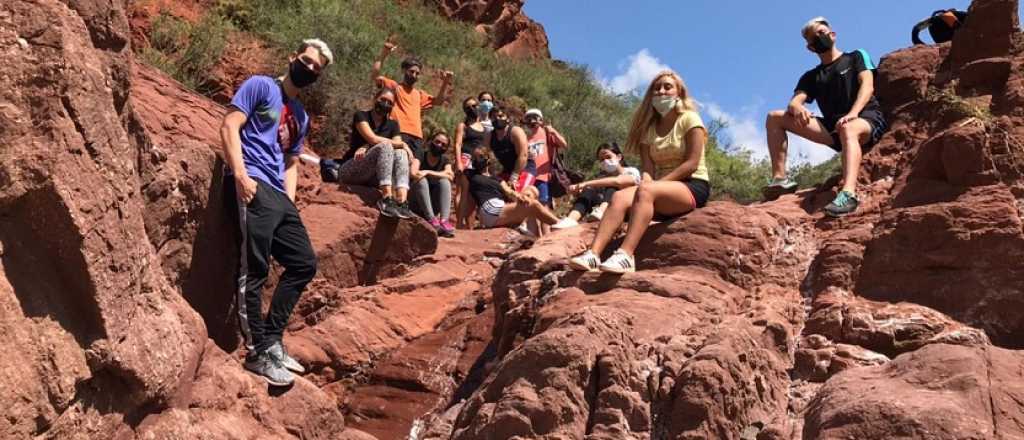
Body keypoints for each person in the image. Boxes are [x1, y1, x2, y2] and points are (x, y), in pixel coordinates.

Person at [221, 38, 330, 386]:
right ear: (292, 57)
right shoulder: (260, 86)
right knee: (254, 266)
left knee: (303, 263)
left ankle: (272, 340)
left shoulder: (300, 116)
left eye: (316, 68)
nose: (309, 69)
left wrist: (290, 202)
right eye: (307, 61)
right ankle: (256, 354)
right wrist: (240, 174)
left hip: (278, 196)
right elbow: (230, 126)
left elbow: (291, 162)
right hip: (251, 179)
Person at [568, 70, 711, 274]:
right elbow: (648, 169)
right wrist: (648, 182)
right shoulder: (648, 130)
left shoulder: (690, 119)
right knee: (618, 197)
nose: (661, 91)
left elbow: (692, 163)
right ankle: (593, 254)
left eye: (667, 87)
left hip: (692, 186)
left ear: (679, 93)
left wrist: (652, 186)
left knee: (645, 191)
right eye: (656, 88)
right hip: (660, 189)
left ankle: (626, 255)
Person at [762, 17, 888, 217]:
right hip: (834, 127)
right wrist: (797, 108)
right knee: (774, 117)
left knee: (848, 127)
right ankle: (780, 180)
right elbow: (795, 101)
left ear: (833, 34)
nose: (819, 38)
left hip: (866, 118)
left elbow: (867, 85)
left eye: (821, 32)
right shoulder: (811, 76)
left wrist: (853, 114)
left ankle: (848, 194)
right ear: (810, 48)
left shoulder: (856, 56)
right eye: (814, 38)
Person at [337, 88, 415, 219]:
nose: (385, 104)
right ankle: (387, 199)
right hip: (352, 169)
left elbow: (397, 146)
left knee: (400, 153)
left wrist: (401, 146)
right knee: (386, 146)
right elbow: (372, 138)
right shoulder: (361, 116)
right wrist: (403, 144)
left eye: (390, 102)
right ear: (375, 99)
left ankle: (402, 201)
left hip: (374, 176)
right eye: (382, 100)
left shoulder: (393, 125)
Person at [371, 37, 453, 157]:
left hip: (417, 137)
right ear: (404, 71)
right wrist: (384, 53)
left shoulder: (419, 94)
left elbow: (438, 101)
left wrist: (445, 82)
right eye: (411, 71)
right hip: (399, 132)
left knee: (411, 169)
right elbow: (375, 75)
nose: (414, 75)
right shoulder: (394, 87)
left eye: (417, 73)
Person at [464, 145, 560, 231]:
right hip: (490, 208)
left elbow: (509, 191)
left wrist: (519, 197)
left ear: (488, 159)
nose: (477, 160)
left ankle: (531, 232)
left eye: (480, 157)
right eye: (475, 157)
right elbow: (465, 199)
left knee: (532, 190)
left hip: (500, 207)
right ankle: (559, 224)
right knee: (533, 204)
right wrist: (461, 222)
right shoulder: (470, 174)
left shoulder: (497, 179)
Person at [551, 142, 642, 229]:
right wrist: (579, 191)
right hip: (610, 208)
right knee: (589, 190)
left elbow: (618, 182)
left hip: (627, 207)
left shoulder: (631, 171)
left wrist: (585, 183)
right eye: (602, 160)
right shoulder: (602, 177)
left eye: (608, 157)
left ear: (619, 157)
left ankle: (602, 211)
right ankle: (572, 219)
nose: (605, 161)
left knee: (612, 186)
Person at [522, 108, 567, 236]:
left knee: (543, 206)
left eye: (535, 117)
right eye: (529, 118)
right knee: (529, 206)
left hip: (543, 176)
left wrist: (553, 131)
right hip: (529, 176)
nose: (532, 120)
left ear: (541, 120)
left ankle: (547, 237)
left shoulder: (547, 133)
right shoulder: (527, 138)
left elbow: (564, 144)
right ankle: (533, 236)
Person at [454, 96, 491, 228]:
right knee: (463, 191)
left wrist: (486, 165)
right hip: (465, 158)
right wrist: (458, 162)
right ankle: (458, 223)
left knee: (473, 194)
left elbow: (485, 147)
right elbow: (458, 144)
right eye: (468, 107)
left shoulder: (482, 127)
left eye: (474, 105)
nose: (472, 109)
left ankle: (471, 225)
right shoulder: (463, 125)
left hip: (479, 161)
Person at [411, 131, 456, 237]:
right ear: (431, 141)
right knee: (422, 180)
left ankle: (444, 221)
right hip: (415, 202)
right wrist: (440, 174)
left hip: (433, 204)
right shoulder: (421, 153)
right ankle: (431, 219)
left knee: (445, 182)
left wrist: (427, 172)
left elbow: (450, 176)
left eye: (443, 145)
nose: (439, 145)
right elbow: (413, 173)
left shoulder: (445, 160)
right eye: (437, 142)